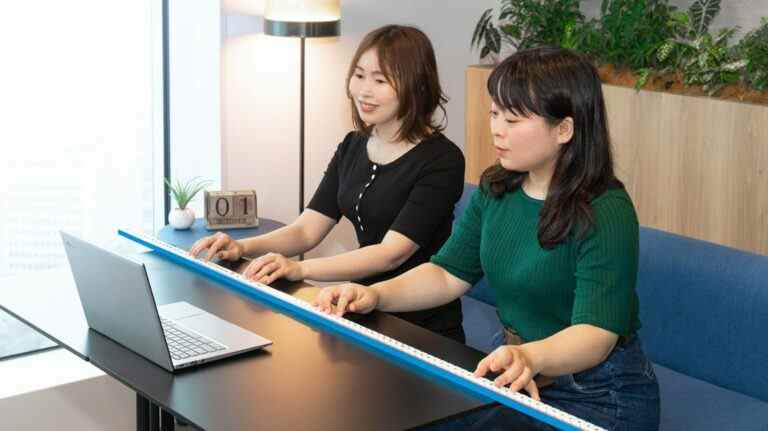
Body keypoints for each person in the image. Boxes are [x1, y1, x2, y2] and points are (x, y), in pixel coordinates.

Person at [313, 46, 660, 430]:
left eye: (513, 119)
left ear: (564, 128)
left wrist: (530, 356)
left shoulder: (606, 210)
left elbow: (596, 336)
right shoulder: (498, 187)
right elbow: (446, 274)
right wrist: (376, 295)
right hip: (519, 373)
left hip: (599, 394)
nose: (496, 129)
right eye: (495, 113)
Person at [189, 25, 467, 342]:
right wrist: (244, 247)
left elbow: (392, 253)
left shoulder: (442, 160)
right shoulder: (353, 145)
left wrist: (301, 269)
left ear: (416, 86)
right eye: (359, 75)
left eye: (380, 80)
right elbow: (307, 229)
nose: (364, 90)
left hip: (423, 329)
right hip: (360, 312)